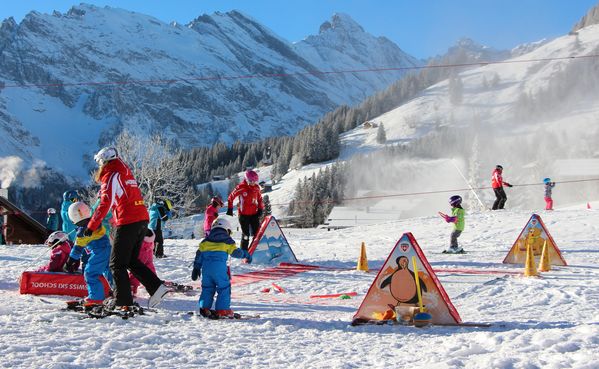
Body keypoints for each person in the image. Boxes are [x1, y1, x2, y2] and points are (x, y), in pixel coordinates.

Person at [84, 146, 169, 311]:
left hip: (127, 221)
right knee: (130, 260)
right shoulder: (125, 171)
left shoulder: (110, 175)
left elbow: (105, 202)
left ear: (104, 162)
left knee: (116, 264)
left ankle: (123, 301)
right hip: (141, 219)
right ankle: (157, 288)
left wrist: (91, 225)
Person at [191, 217, 251, 318]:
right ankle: (222, 309)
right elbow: (236, 253)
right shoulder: (227, 241)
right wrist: (246, 254)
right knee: (224, 288)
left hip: (206, 271)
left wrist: (196, 268)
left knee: (207, 288)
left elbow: (199, 256)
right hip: (219, 270)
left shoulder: (205, 242)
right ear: (226, 229)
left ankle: (204, 308)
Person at [63, 202, 112, 308]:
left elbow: (77, 248)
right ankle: (120, 293)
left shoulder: (83, 232)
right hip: (108, 249)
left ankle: (96, 298)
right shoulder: (95, 223)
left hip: (99, 252)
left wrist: (69, 261)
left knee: (90, 273)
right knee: (109, 271)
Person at [226, 170, 265, 251]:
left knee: (257, 234)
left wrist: (260, 209)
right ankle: (243, 252)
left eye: (255, 181)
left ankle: (257, 250)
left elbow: (260, 199)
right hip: (243, 215)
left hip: (254, 214)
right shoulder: (241, 187)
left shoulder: (256, 188)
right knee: (246, 235)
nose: (253, 183)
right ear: (246, 179)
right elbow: (231, 197)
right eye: (251, 181)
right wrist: (230, 208)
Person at [129, 228, 157, 296]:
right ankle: (155, 285)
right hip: (149, 247)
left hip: (141, 249)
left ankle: (132, 288)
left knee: (137, 269)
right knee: (149, 267)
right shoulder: (147, 230)